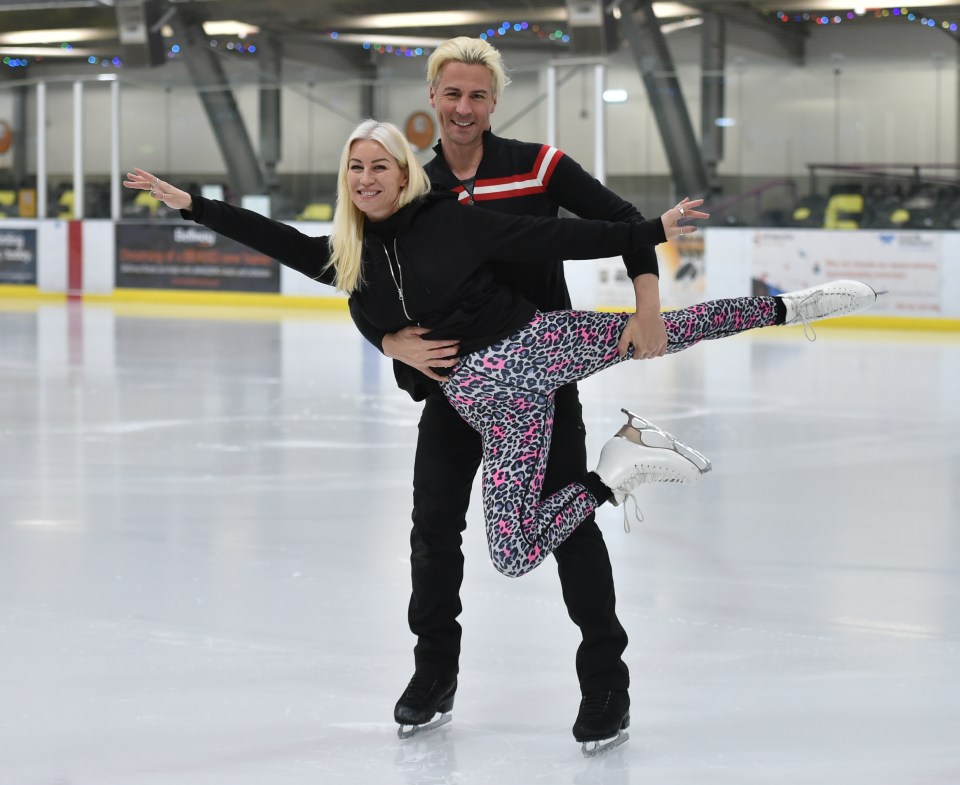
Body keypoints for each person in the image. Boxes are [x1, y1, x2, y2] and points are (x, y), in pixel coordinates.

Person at [124, 120, 877, 752]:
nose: (366, 176)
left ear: (401, 173)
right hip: (490, 410)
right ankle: (621, 469)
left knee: (668, 332)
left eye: (378, 164)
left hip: (533, 348)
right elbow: (271, 237)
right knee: (512, 553)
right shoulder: (346, 258)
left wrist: (648, 233)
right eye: (355, 166)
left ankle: (793, 308)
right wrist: (190, 204)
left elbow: (556, 239)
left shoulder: (448, 218)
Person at [351, 36, 674, 751]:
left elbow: (625, 225)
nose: (463, 107)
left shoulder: (537, 165)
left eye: (477, 95)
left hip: (537, 379)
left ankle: (605, 683)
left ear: (493, 102)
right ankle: (433, 672)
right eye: (451, 93)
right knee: (433, 529)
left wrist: (646, 303)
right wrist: (388, 342)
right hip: (454, 386)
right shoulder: (416, 183)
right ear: (431, 99)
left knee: (569, 528)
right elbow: (366, 273)